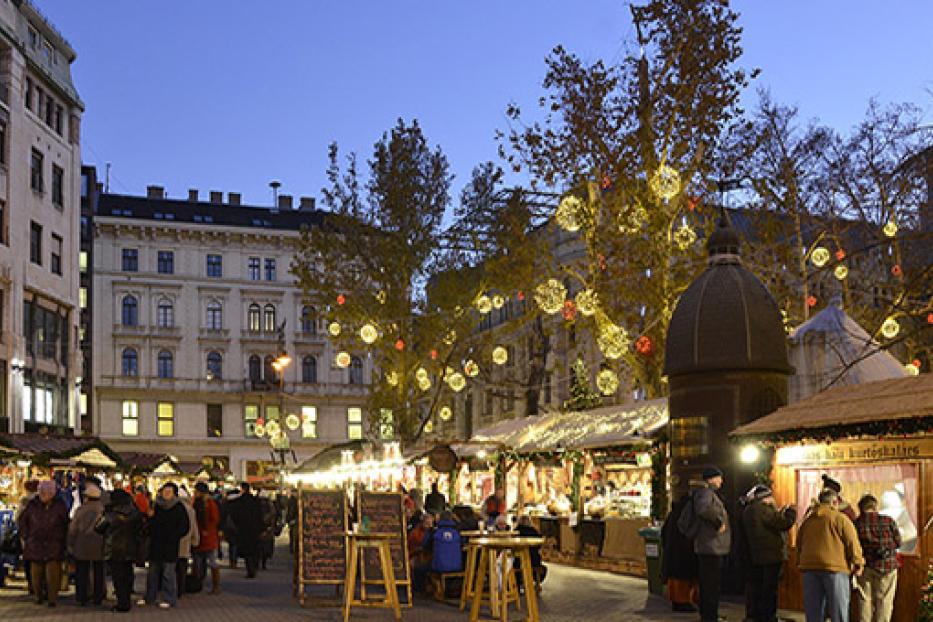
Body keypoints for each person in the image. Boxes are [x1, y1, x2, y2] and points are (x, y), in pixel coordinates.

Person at [797, 488, 864, 622]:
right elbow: (852, 542)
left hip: (809, 568)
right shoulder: (840, 519)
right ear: (835, 502)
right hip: (835, 569)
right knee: (838, 611)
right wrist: (858, 562)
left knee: (814, 612)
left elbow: (799, 543)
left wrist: (800, 561)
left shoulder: (808, 520)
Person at [742, 485, 796, 622]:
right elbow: (783, 523)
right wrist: (791, 512)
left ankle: (756, 615)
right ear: (765, 498)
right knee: (769, 590)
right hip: (769, 556)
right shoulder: (763, 510)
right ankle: (768, 617)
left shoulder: (749, 509)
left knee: (758, 588)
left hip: (756, 556)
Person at [685, 467, 730, 622]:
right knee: (710, 585)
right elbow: (703, 509)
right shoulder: (705, 493)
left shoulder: (706, 493)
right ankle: (709, 616)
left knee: (709, 584)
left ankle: (709, 615)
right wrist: (718, 522)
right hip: (710, 546)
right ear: (711, 479)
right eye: (719, 478)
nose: (721, 481)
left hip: (710, 546)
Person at [18, 479, 69, 607]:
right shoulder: (32, 505)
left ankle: (52, 598)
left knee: (53, 573)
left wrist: (62, 538)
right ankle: (38, 596)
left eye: (47, 492)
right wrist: (26, 536)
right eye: (42, 492)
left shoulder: (59, 505)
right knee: (36, 573)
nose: (44, 495)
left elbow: (65, 523)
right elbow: (23, 521)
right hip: (35, 543)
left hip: (53, 544)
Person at [139, 482, 190, 609]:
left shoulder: (179, 507)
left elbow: (185, 526)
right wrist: (149, 518)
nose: (166, 494)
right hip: (156, 544)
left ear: (174, 494)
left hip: (170, 546)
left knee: (168, 573)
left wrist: (174, 536)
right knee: (152, 573)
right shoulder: (156, 505)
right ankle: (150, 597)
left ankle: (169, 598)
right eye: (164, 491)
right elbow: (149, 525)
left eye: (169, 491)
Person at [853, 494, 900, 622]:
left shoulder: (856, 523)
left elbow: (853, 545)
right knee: (885, 600)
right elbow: (898, 542)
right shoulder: (888, 521)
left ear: (860, 508)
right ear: (875, 506)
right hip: (887, 565)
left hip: (865, 566)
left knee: (864, 599)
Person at [95, 489, 143, 612]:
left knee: (118, 577)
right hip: (130, 547)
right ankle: (126, 600)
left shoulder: (110, 513)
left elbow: (98, 528)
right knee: (127, 574)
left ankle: (122, 603)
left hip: (113, 549)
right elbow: (141, 528)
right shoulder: (135, 512)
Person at [68, 482, 106, 606]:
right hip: (99, 543)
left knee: (81, 571)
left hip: (82, 543)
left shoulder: (80, 510)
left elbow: (73, 528)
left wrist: (70, 542)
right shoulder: (103, 509)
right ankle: (98, 596)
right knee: (98, 571)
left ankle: (82, 596)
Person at [661, 491, 698, 613]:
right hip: (683, 551)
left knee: (675, 577)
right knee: (683, 577)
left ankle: (677, 601)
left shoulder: (674, 512)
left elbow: (664, 532)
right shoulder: (688, 512)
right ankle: (683, 602)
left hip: (672, 551)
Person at [226, 482, 263, 578]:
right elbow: (260, 515)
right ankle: (254, 566)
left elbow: (233, 515)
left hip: (243, 529)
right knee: (254, 548)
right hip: (254, 529)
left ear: (242, 489)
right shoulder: (255, 501)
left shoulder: (238, 502)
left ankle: (250, 569)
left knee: (247, 551)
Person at [193, 482, 222, 594]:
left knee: (210, 561)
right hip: (201, 536)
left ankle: (215, 586)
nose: (195, 493)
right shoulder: (198, 502)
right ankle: (198, 584)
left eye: (196, 491)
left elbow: (215, 519)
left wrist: (207, 530)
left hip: (207, 536)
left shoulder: (209, 504)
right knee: (200, 562)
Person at [175, 488, 199, 598]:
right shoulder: (190, 509)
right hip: (186, 541)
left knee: (172, 566)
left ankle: (173, 587)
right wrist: (195, 540)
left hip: (173, 542)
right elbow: (194, 526)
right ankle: (181, 588)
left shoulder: (173, 508)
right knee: (182, 566)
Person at [514, 515, 547, 590]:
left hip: (518, 560)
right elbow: (539, 546)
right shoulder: (534, 531)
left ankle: (518, 584)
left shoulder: (516, 531)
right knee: (538, 565)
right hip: (534, 560)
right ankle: (535, 583)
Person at [258, 493, 277, 570]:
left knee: (260, 547)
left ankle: (260, 562)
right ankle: (263, 563)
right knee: (265, 547)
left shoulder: (257, 506)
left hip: (261, 529)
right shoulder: (271, 507)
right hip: (267, 530)